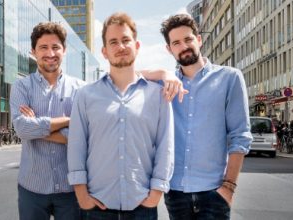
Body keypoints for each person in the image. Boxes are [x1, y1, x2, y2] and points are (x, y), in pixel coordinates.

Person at [67, 12, 174, 219]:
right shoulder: (85, 95)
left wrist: (156, 193)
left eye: (126, 40)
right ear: (104, 52)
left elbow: (165, 146)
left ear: (137, 45)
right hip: (97, 207)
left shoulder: (158, 96)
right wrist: (82, 196)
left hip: (142, 206)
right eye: (113, 42)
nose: (121, 46)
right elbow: (76, 146)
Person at [158, 14, 252, 220]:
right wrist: (164, 74)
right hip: (175, 193)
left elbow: (240, 136)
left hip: (214, 192)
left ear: (199, 40)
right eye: (176, 43)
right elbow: (135, 75)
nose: (184, 46)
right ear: (169, 49)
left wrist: (228, 187)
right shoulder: (165, 85)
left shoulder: (230, 77)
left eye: (188, 39)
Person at [10, 22, 84, 220]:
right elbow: (22, 129)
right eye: (43, 47)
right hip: (32, 188)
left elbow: (82, 135)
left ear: (64, 50)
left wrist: (38, 128)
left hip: (71, 188)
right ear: (33, 51)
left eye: (55, 47)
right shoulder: (21, 87)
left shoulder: (80, 89)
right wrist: (68, 120)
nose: (50, 53)